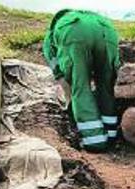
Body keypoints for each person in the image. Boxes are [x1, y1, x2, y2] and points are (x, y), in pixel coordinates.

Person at [42, 9, 120, 151]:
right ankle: (111, 135)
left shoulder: (51, 38)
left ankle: (95, 141)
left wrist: (69, 97)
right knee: (106, 85)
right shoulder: (91, 18)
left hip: (74, 33)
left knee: (81, 87)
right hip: (107, 31)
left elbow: (64, 80)